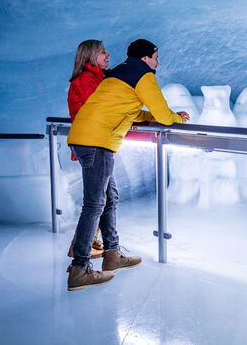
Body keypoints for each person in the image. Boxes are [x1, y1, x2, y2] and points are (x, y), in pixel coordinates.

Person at [66, 39, 190, 291]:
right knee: (94, 204)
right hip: (97, 142)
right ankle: (79, 269)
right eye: (155, 57)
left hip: (87, 138)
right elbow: (164, 115)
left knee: (109, 197)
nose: (157, 62)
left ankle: (112, 255)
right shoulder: (143, 74)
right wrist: (176, 117)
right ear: (145, 58)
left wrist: (153, 115)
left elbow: (131, 110)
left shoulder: (119, 73)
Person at [66, 39, 112, 259]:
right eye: (103, 52)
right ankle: (80, 257)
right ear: (91, 56)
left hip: (97, 143)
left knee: (106, 197)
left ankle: (90, 245)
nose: (108, 55)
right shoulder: (87, 80)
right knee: (96, 201)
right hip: (93, 144)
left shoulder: (96, 78)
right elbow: (99, 110)